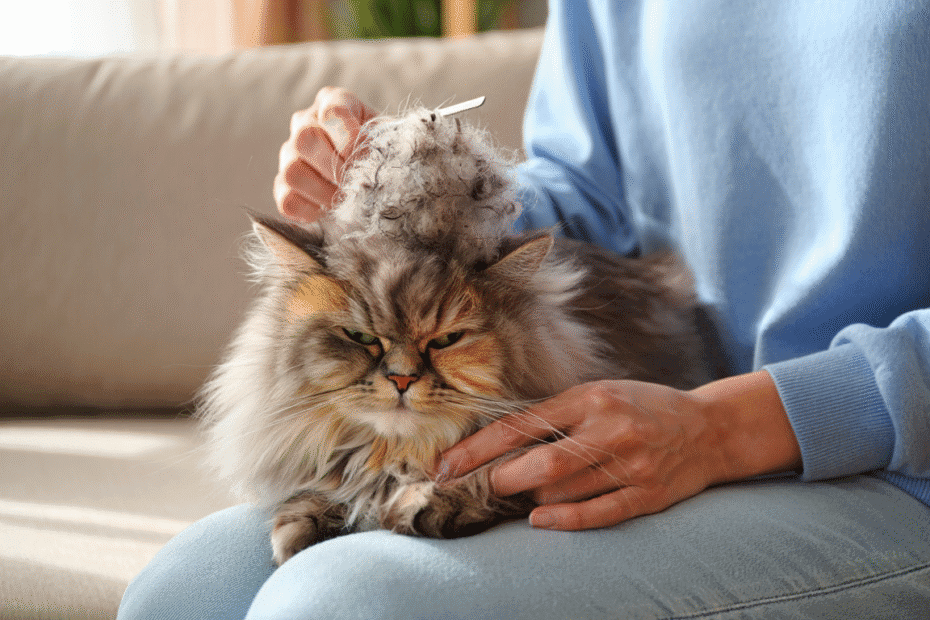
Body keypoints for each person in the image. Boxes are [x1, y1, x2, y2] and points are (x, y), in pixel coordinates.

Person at [118, 1, 930, 618]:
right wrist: (407, 196)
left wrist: (724, 429)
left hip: (890, 465)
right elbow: (587, 195)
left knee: (344, 602)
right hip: (686, 421)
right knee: (184, 592)